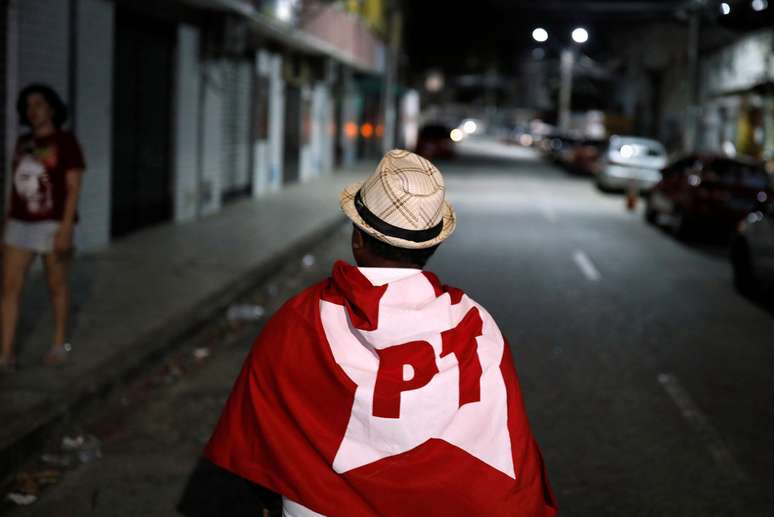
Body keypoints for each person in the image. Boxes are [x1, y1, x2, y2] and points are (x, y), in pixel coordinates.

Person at [205, 150, 557, 516]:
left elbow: (256, 438)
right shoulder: (476, 323)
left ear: (358, 238)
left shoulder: (302, 317)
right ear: (431, 246)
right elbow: (505, 441)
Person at [0, 84, 86, 373]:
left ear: (52, 108)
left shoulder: (66, 142)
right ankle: (5, 353)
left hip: (52, 224)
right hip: (20, 223)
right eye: (28, 105)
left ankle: (61, 343)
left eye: (38, 104)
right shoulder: (23, 142)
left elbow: (74, 188)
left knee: (56, 285)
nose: (32, 110)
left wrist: (66, 228)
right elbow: (14, 187)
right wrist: (6, 224)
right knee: (9, 287)